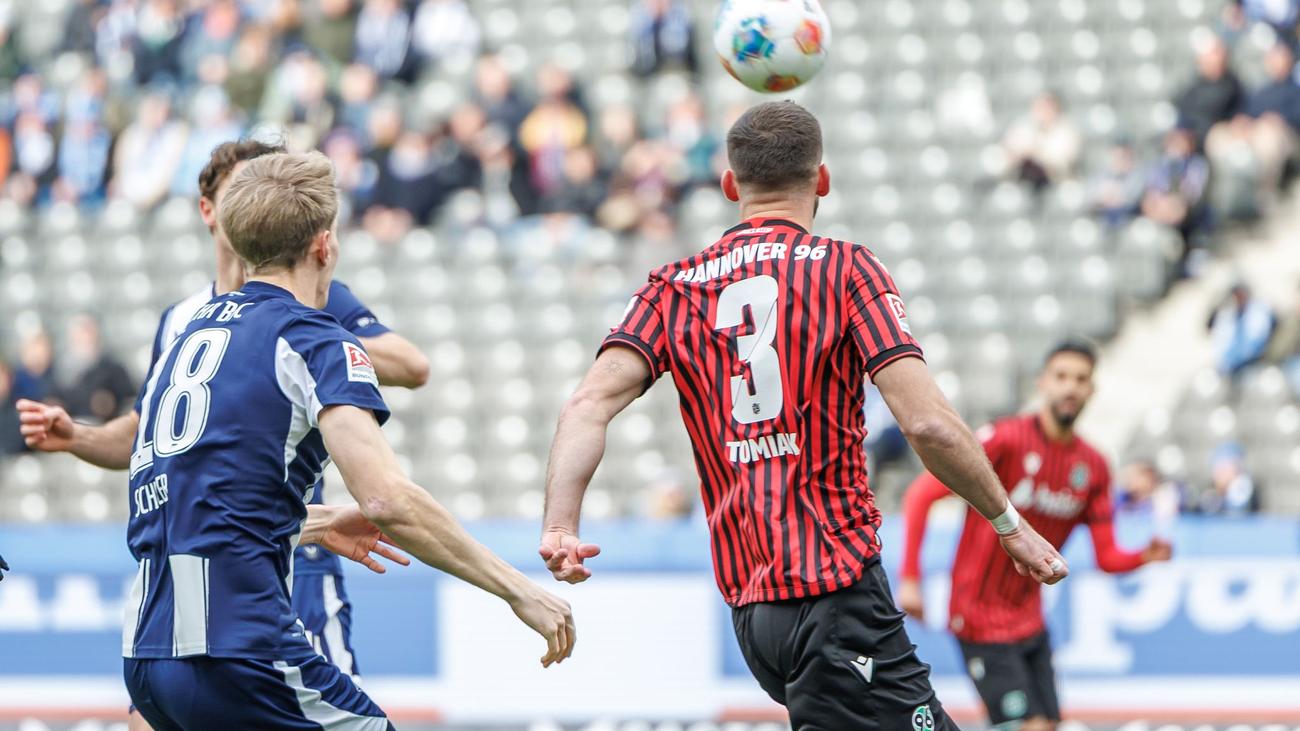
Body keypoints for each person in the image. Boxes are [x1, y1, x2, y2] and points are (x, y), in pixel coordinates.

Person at [538, 101, 1068, 730]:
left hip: (753, 613)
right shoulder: (848, 269)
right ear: (822, 179)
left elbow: (587, 404)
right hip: (832, 589)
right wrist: (1008, 523)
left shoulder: (672, 286)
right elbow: (926, 423)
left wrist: (561, 525)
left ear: (730, 185)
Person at [116, 151, 573, 729]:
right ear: (325, 246)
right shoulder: (314, 339)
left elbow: (189, 502)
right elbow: (386, 498)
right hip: (239, 649)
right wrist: (518, 590)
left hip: (147, 655)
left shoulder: (182, 339)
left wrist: (314, 522)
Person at [16, 139, 429, 731]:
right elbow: (147, 434)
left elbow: (412, 365)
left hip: (297, 554)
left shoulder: (316, 297)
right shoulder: (182, 320)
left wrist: (302, 335)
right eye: (243, 188)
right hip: (202, 572)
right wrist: (80, 437)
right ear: (210, 210)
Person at [897, 342, 1173, 731]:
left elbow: (1107, 556)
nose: (1070, 387)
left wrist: (1144, 555)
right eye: (1062, 376)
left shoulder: (1093, 467)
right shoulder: (1005, 439)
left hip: (1030, 622)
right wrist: (910, 578)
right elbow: (920, 495)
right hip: (977, 616)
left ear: (1092, 390)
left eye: (1081, 379)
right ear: (1042, 382)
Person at [1208, 282, 1277, 378]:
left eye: (1240, 295)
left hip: (1254, 365)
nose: (1238, 298)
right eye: (1235, 296)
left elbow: (1255, 343)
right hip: (1229, 368)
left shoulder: (1259, 312)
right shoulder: (1226, 315)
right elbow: (1211, 329)